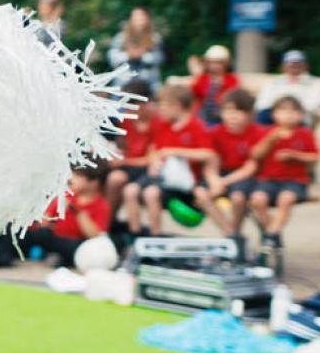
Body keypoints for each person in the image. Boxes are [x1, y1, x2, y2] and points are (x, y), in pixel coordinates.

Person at [133, 84, 214, 236]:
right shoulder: (163, 125)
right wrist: (154, 161)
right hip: (166, 180)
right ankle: (152, 235)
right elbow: (155, 150)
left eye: (163, 106)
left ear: (176, 106)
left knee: (202, 196)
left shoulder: (196, 126)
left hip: (190, 181)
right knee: (143, 192)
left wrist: (175, 152)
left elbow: (208, 154)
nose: (160, 110)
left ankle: (231, 234)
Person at [244, 95, 320, 250]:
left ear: (301, 115)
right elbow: (255, 155)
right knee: (257, 200)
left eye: (293, 112)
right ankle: (273, 233)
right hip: (268, 180)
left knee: (286, 199)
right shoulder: (266, 132)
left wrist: (294, 155)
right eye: (283, 111)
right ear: (274, 115)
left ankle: (270, 235)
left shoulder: (305, 133)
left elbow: (315, 156)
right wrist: (270, 140)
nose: (288, 115)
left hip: (295, 181)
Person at [202, 89, 269, 239]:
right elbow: (211, 162)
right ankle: (230, 234)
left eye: (239, 111)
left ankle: (236, 231)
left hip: (244, 176)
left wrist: (223, 182)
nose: (232, 116)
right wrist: (214, 181)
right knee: (202, 194)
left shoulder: (258, 133)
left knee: (238, 198)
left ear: (251, 114)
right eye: (227, 110)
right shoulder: (215, 132)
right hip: (221, 173)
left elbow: (251, 167)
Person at [22, 168, 110, 268]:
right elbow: (45, 220)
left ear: (94, 183)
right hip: (56, 238)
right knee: (41, 233)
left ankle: (59, 258)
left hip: (77, 243)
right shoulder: (67, 196)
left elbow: (95, 236)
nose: (72, 179)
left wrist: (79, 214)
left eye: (79, 176)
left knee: (76, 247)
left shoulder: (101, 205)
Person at [103, 79, 158, 234]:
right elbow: (123, 147)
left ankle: (138, 231)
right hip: (130, 166)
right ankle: (107, 224)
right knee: (114, 178)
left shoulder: (157, 122)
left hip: (148, 169)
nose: (130, 110)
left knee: (127, 187)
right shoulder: (126, 121)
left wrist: (124, 160)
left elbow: (152, 158)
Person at [109, 7, 164, 88]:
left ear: (147, 19)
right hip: (123, 82)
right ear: (131, 19)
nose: (139, 21)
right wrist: (128, 55)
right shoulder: (120, 38)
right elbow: (112, 58)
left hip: (148, 82)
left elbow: (159, 58)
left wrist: (143, 56)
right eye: (136, 18)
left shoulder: (155, 38)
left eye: (142, 18)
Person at [190, 44, 240, 125]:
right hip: (202, 114)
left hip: (221, 115)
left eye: (219, 63)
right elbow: (194, 94)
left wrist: (221, 85)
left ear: (226, 64)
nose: (215, 66)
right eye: (212, 62)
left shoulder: (231, 79)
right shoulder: (202, 78)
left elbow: (233, 96)